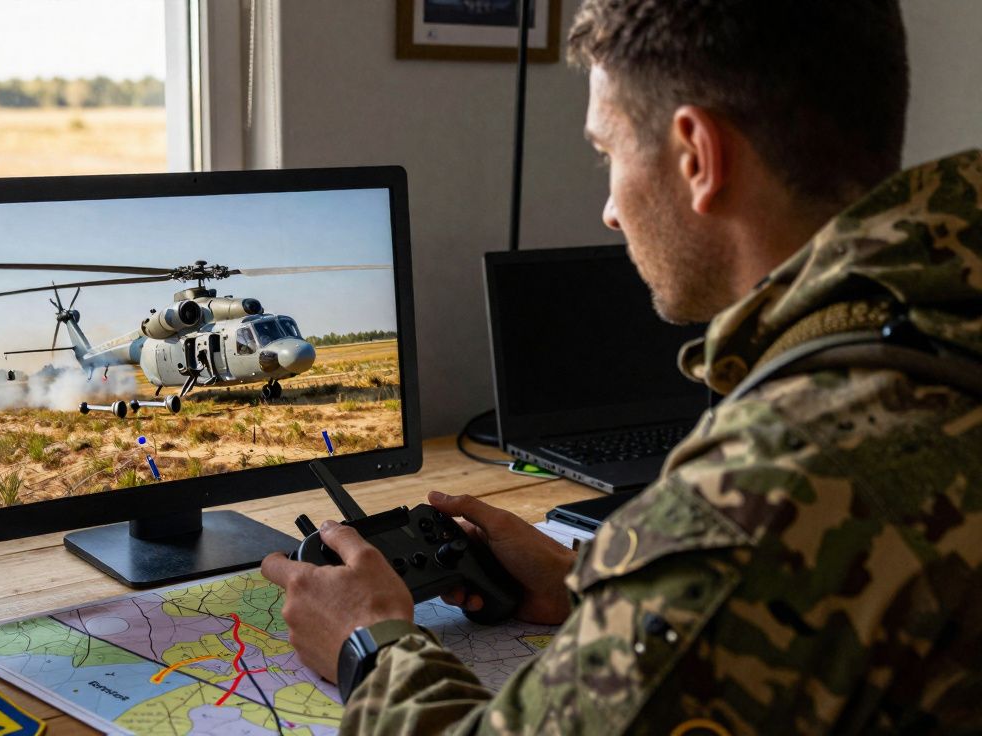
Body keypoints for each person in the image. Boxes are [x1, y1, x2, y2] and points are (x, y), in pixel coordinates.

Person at [262, 0, 982, 732]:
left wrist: (368, 645)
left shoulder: (766, 492)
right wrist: (592, 588)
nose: (609, 209)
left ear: (698, 156)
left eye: (608, 153)